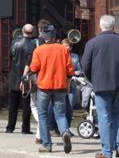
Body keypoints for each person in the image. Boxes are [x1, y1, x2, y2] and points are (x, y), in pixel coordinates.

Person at [81, 15, 119, 158]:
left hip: (100, 85)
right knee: (118, 115)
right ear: (113, 26)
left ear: (101, 26)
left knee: (104, 117)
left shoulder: (92, 42)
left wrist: (93, 78)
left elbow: (85, 65)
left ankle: (106, 152)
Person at [27, 24, 73, 153]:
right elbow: (70, 69)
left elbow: (34, 68)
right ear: (54, 36)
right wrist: (67, 79)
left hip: (44, 87)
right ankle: (64, 132)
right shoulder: (63, 50)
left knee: (42, 115)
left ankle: (47, 144)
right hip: (60, 86)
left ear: (44, 37)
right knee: (60, 114)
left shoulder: (39, 50)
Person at [6, 24, 36, 134]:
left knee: (13, 104)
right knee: (26, 104)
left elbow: (10, 56)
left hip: (14, 75)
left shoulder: (14, 42)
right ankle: (25, 128)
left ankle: (10, 127)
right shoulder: (34, 44)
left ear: (22, 31)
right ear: (32, 32)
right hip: (27, 76)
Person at [62, 38, 82, 133]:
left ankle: (67, 128)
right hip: (61, 85)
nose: (66, 47)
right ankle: (61, 128)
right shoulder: (59, 55)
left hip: (71, 85)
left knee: (69, 107)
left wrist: (76, 72)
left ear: (70, 47)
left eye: (68, 46)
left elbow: (79, 70)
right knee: (61, 108)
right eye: (64, 45)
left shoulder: (75, 57)